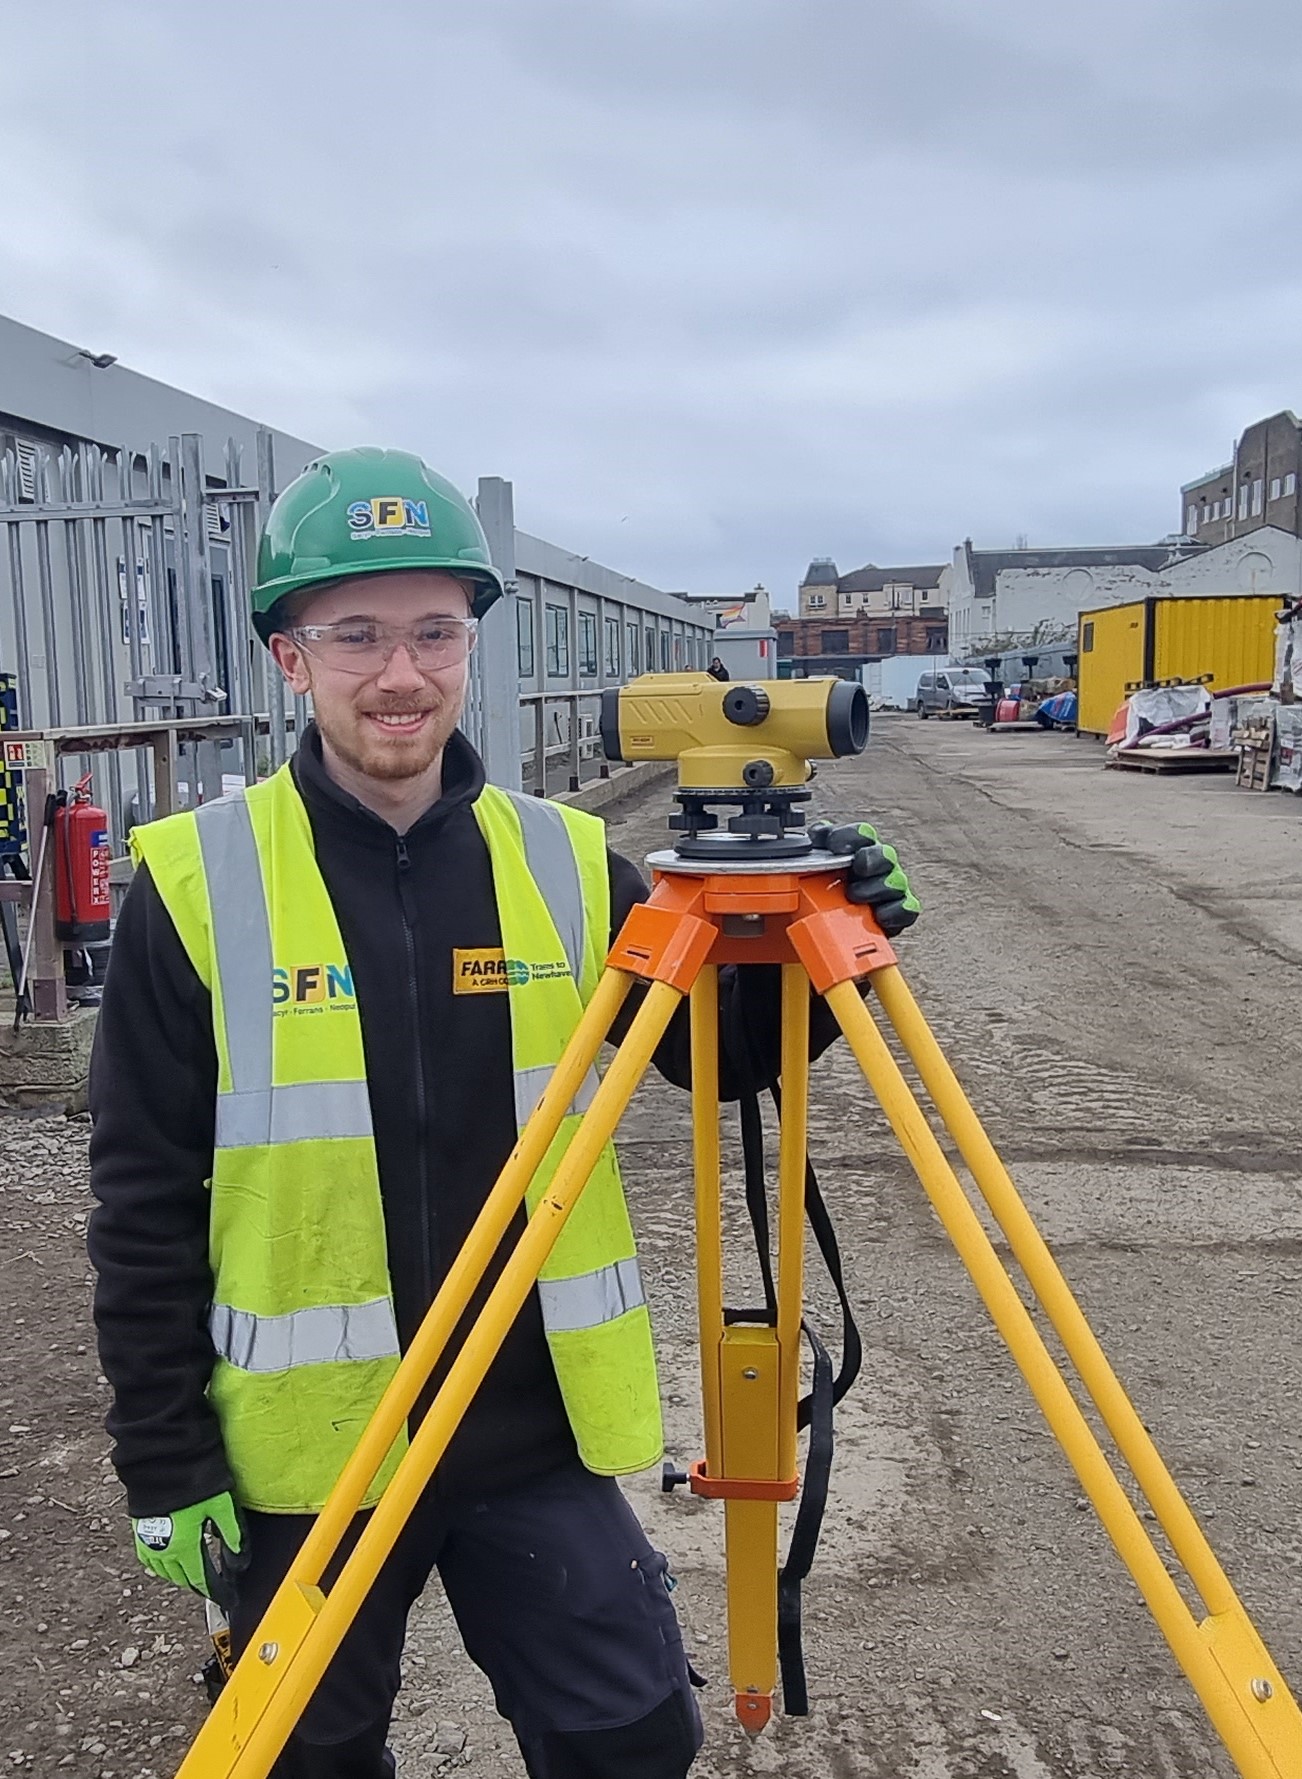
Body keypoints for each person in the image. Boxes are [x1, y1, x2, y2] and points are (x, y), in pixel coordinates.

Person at [87, 448, 920, 1779]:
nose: (400, 673)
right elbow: (138, 1196)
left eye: (432, 633)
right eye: (355, 634)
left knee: (632, 1740)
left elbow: (720, 1065)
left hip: (530, 1430)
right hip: (312, 1459)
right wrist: (165, 1456)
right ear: (288, 659)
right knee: (305, 1759)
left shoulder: (567, 859)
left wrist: (823, 945)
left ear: (470, 645)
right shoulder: (193, 884)